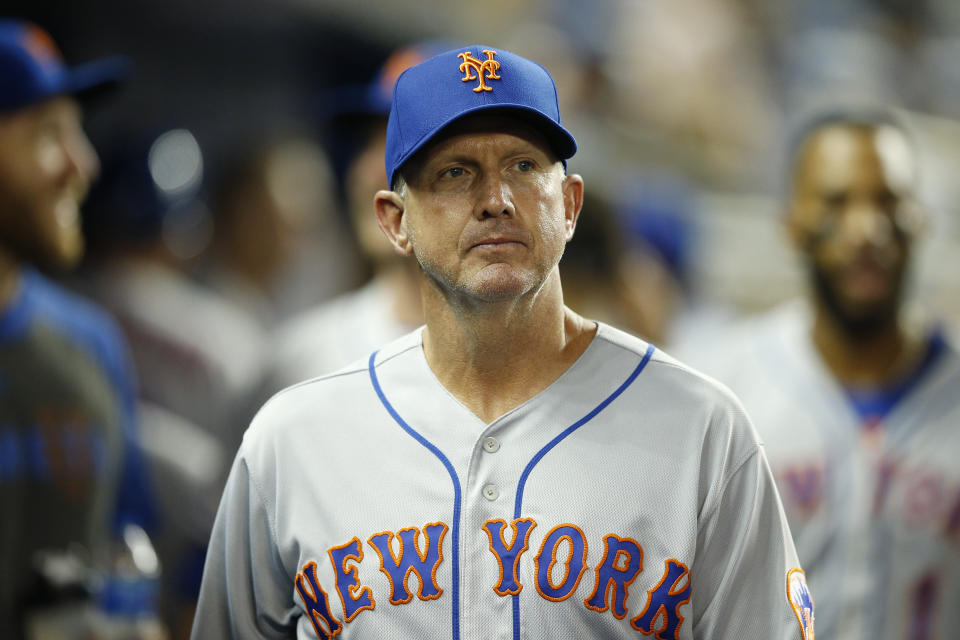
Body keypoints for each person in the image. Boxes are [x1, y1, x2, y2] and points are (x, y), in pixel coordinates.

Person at [193, 45, 813, 639]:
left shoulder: (706, 429)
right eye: (455, 173)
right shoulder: (292, 440)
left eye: (523, 166)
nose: (496, 200)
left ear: (568, 206)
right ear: (394, 221)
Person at [678, 110, 960, 639]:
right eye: (837, 202)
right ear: (792, 222)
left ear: (919, 219)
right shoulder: (719, 387)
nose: (866, 229)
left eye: (887, 202)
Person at [0, 20, 157, 638]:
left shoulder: (91, 345)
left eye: (77, 132)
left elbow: (128, 549)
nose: (81, 165)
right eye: (48, 134)